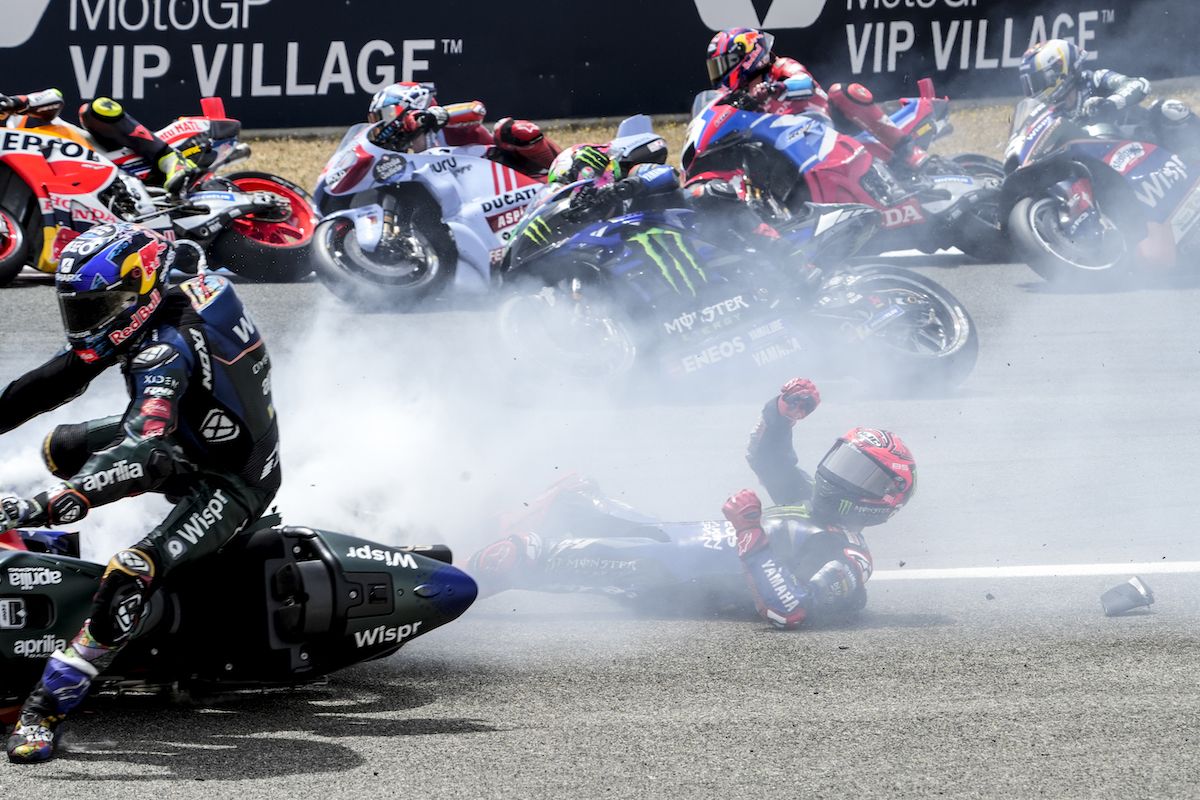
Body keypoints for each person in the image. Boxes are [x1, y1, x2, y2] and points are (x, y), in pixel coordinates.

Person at [1, 222, 281, 763]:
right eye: (78, 309)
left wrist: (53, 502)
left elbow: (141, 453)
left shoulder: (163, 354)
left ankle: (43, 710)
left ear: (137, 293)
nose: (84, 325)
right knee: (62, 446)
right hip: (189, 430)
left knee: (129, 572)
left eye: (96, 308)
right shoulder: (166, 294)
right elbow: (62, 376)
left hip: (226, 476)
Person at [466, 378, 917, 628]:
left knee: (525, 554)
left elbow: (792, 608)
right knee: (575, 493)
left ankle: (421, 596)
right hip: (667, 535)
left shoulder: (848, 557)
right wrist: (779, 412)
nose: (835, 473)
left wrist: (752, 536)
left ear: (879, 502)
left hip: (669, 576)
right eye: (843, 460)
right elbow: (768, 456)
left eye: (859, 473)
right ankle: (455, 537)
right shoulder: (807, 500)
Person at [704, 27, 930, 170]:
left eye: (725, 63)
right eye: (716, 67)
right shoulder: (737, 99)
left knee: (841, 91)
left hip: (832, 131)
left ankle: (910, 152)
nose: (720, 72)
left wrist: (775, 88)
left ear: (748, 56)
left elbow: (804, 81)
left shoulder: (781, 67)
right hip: (794, 152)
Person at [1018, 39, 1200, 160]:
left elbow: (1139, 85)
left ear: (1060, 70)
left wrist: (1111, 103)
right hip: (1109, 167)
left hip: (1146, 142)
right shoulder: (1051, 116)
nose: (1036, 90)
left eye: (1038, 81)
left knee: (1170, 109)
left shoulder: (1094, 79)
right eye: (1031, 85)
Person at [0, 89, 197, 193]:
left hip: (103, 155)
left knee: (96, 108)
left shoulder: (14, 116)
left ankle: (170, 158)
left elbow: (55, 97)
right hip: (74, 188)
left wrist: (17, 103)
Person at [366, 81, 561, 176]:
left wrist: (437, 116)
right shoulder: (401, 154)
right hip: (472, 201)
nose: (380, 125)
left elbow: (477, 109)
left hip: (513, 173)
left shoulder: (443, 124)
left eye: (383, 116)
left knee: (511, 129)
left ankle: (562, 173)